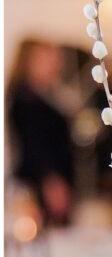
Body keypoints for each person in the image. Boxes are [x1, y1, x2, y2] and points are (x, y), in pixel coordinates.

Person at [8, 40, 75, 225]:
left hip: (50, 178)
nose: (55, 64)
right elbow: (35, 143)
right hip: (42, 182)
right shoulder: (26, 99)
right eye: (47, 59)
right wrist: (51, 182)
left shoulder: (47, 94)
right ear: (29, 62)